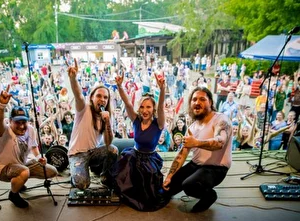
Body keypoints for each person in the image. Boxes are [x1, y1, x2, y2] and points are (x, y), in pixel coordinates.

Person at [163, 87, 232, 213]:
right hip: (196, 165)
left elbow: (220, 142)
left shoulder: (221, 120)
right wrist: (169, 176)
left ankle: (209, 195)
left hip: (215, 168)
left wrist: (197, 143)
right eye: (194, 99)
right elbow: (182, 154)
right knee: (168, 188)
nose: (197, 102)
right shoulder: (192, 127)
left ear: (210, 102)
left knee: (189, 185)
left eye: (202, 99)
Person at [111, 71, 169, 211]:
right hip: (134, 156)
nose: (145, 110)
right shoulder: (136, 120)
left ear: (153, 109)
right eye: (142, 107)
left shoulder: (158, 123)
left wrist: (162, 89)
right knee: (119, 177)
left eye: (148, 107)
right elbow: (127, 104)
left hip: (149, 160)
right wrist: (119, 86)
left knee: (147, 193)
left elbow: (161, 107)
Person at [0, 85, 58, 208]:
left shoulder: (31, 129)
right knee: (24, 171)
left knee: (52, 172)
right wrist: (1, 105)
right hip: (3, 169)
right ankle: (13, 194)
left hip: (21, 166)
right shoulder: (4, 132)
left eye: (24, 122)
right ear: (10, 121)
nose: (22, 126)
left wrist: (39, 157)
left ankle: (19, 181)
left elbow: (34, 147)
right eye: (18, 122)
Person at [66, 59, 118, 190]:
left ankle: (105, 178)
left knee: (113, 149)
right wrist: (73, 78)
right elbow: (78, 95)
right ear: (92, 97)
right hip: (77, 154)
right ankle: (76, 175)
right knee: (82, 184)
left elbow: (107, 142)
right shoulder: (84, 109)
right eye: (99, 96)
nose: (102, 99)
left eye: (105, 98)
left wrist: (107, 122)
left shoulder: (106, 115)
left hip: (93, 153)